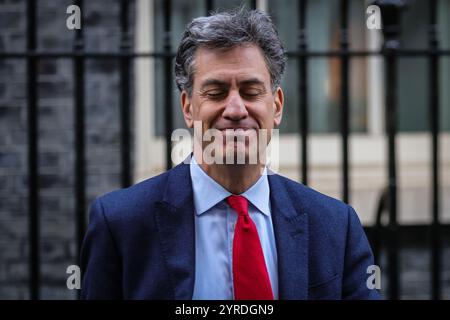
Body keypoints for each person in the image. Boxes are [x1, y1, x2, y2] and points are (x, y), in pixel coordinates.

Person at [80, 8, 380, 300]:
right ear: (187, 107)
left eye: (251, 91)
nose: (235, 110)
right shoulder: (121, 224)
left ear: (276, 106)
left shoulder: (335, 226)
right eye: (216, 92)